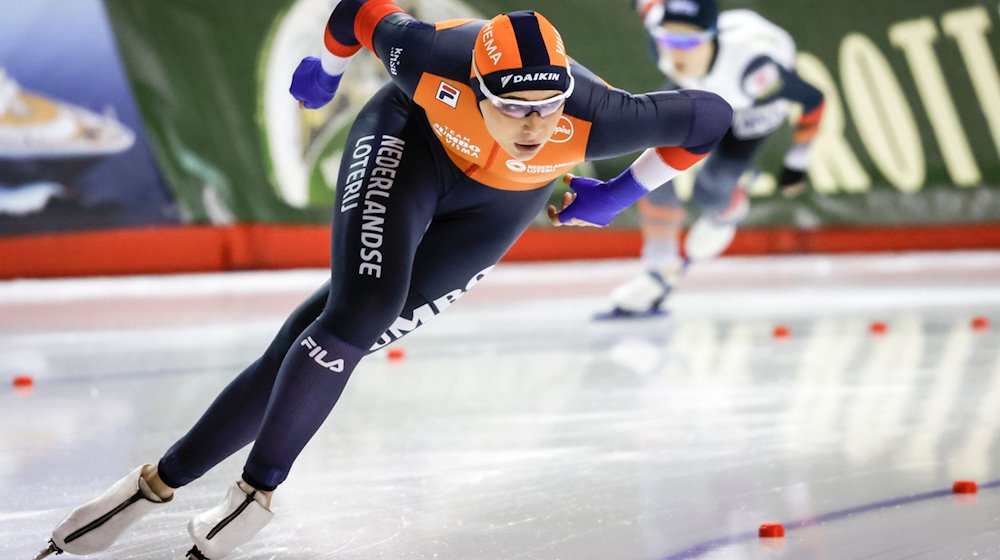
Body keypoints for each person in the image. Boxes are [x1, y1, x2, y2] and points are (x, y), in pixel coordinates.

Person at [33, 2, 732, 559]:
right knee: (362, 308)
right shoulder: (429, 59)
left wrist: (619, 193)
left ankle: (170, 485)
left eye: (545, 107)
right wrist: (327, 68)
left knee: (323, 343)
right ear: (474, 86)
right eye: (513, 107)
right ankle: (242, 492)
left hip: (503, 202)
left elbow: (710, 119)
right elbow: (355, 11)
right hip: (410, 143)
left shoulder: (594, 116)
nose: (531, 124)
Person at [604, 0, 826, 318]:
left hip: (751, 105)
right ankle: (658, 267)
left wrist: (796, 163)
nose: (676, 52)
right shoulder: (661, 41)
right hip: (698, 86)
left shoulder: (757, 72)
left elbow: (814, 101)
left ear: (711, 37)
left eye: (689, 42)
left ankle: (731, 201)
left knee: (711, 190)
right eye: (668, 39)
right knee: (650, 164)